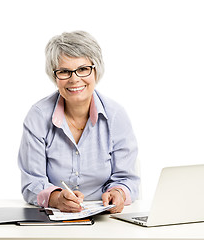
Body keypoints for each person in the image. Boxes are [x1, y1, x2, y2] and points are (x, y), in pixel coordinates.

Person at [18, 31, 140, 213]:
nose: (74, 79)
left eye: (83, 69)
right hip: (54, 219)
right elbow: (32, 182)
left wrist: (119, 193)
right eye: (64, 71)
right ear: (54, 76)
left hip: (106, 219)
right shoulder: (38, 116)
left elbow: (128, 179)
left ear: (96, 70)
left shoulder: (116, 115)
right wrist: (56, 198)